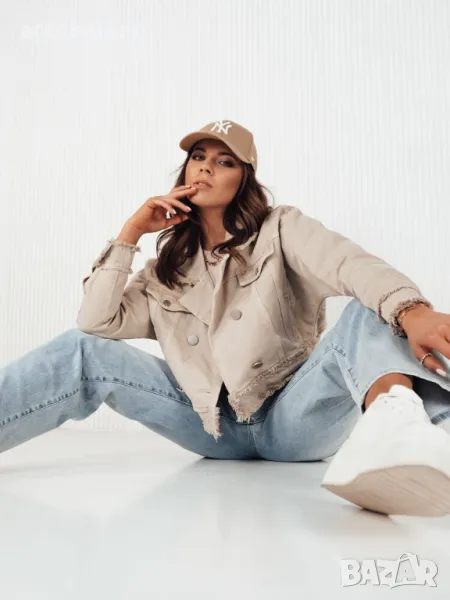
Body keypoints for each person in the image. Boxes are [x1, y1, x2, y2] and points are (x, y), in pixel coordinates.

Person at [2, 119, 450, 517]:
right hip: (211, 427)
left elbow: (350, 265)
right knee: (83, 351)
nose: (205, 169)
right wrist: (130, 233)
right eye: (198, 158)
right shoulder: (165, 270)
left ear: (244, 178)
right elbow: (96, 322)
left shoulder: (281, 228)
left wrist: (412, 310)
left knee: (368, 310)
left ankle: (397, 438)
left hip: (292, 421)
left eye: (224, 162)